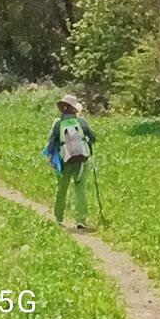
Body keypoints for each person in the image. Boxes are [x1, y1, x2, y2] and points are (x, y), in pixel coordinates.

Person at [43, 94, 97, 230]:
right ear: (75, 109)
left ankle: (59, 218)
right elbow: (93, 138)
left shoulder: (58, 124)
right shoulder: (82, 122)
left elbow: (51, 143)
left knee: (62, 189)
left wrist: (50, 159)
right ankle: (81, 220)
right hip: (81, 161)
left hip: (64, 161)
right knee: (80, 189)